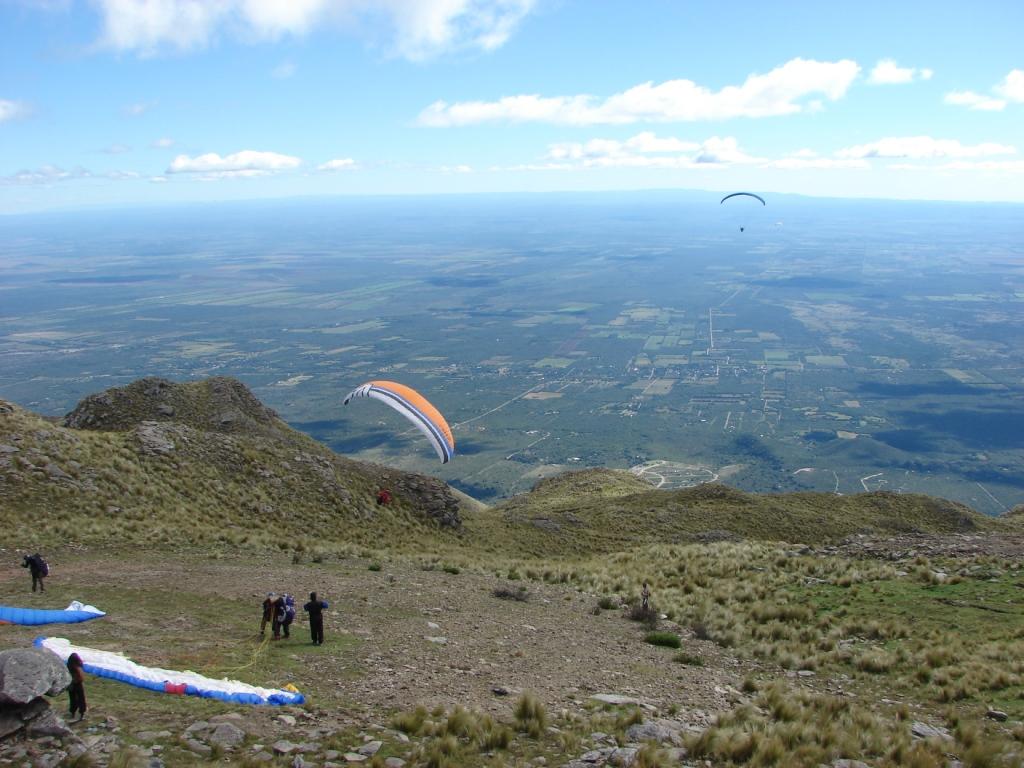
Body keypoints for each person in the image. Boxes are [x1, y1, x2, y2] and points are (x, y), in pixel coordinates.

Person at [66, 653, 87, 721]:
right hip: (77, 683)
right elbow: (80, 675)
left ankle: (73, 713)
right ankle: (81, 713)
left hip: (71, 684)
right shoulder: (78, 666)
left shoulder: (69, 666)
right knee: (81, 698)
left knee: (73, 699)